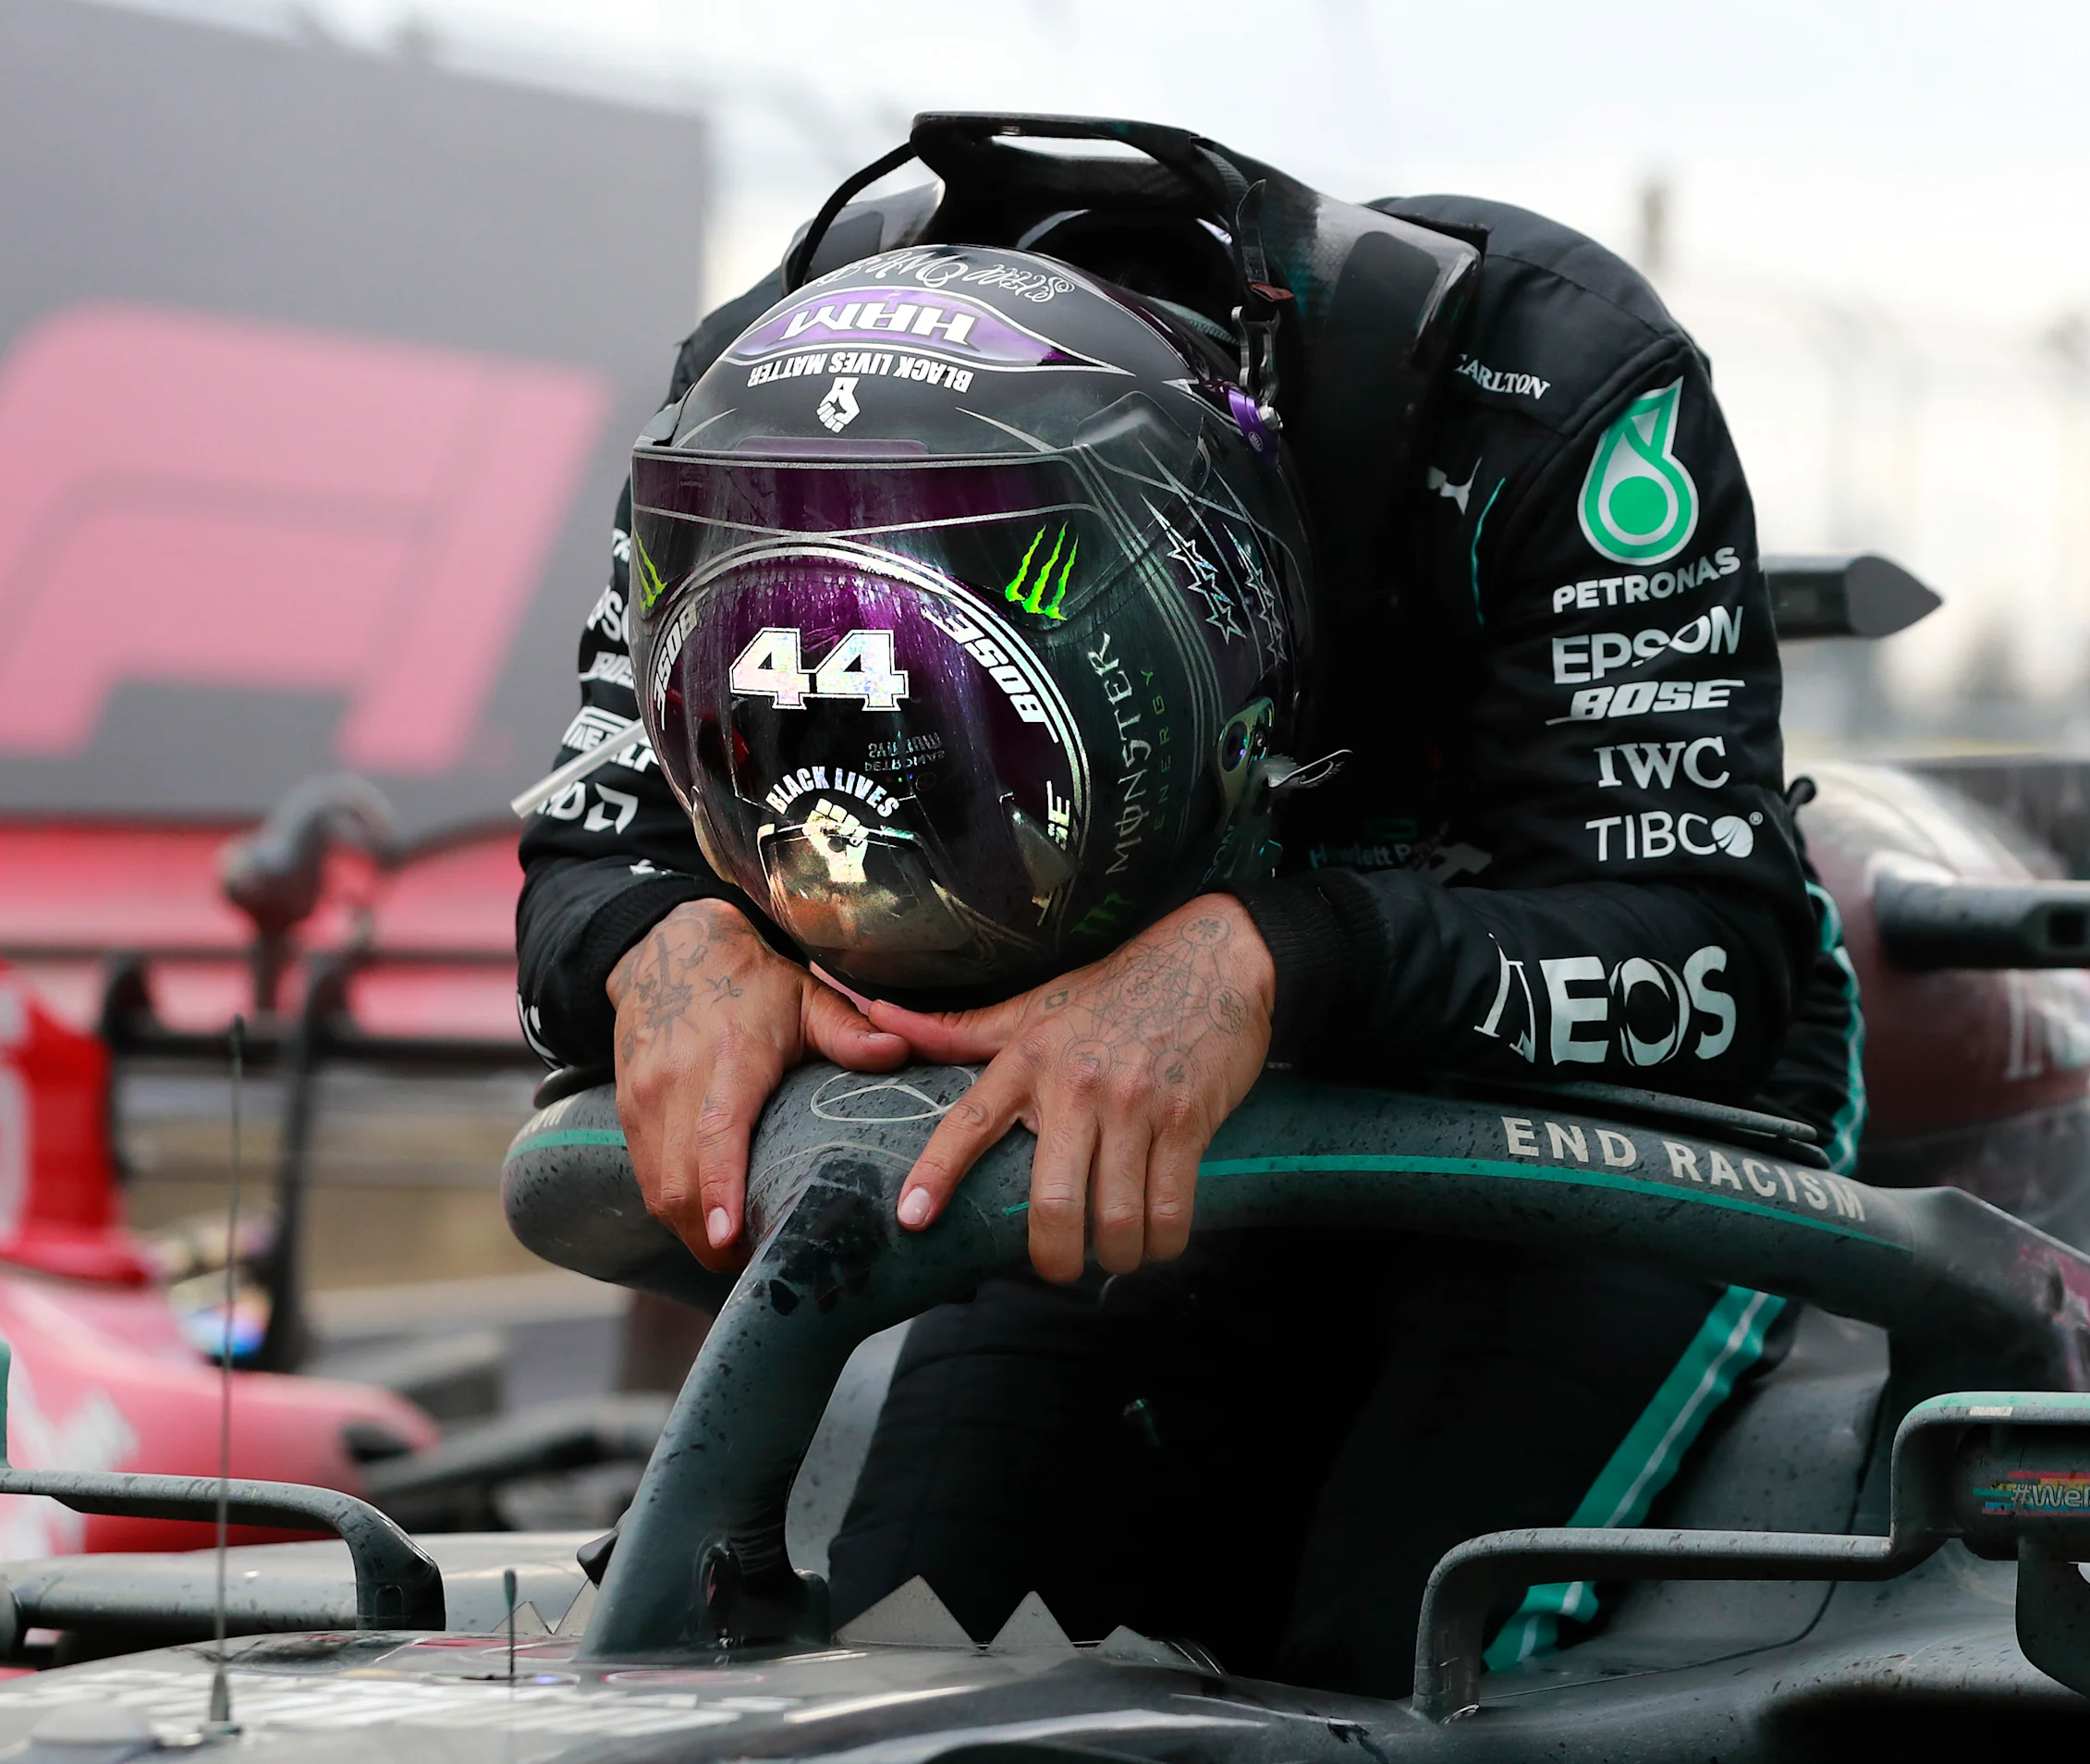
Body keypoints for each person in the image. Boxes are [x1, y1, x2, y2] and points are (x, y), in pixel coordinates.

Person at [515, 116, 1861, 1694]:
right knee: (915, 1654)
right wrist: (663, 939)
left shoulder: (1545, 387)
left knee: (1412, 1665)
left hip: (1596, 1125)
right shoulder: (756, 430)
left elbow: (1712, 956)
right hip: (1088, 1138)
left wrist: (1268, 963)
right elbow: (588, 859)